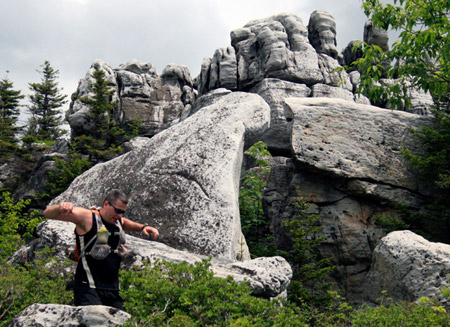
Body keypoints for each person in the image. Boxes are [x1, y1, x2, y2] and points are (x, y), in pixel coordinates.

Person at [43, 189, 159, 311]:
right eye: (117, 211)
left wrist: (143, 227)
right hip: (88, 287)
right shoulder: (88, 217)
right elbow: (47, 214)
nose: (119, 215)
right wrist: (60, 207)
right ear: (106, 204)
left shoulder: (117, 220)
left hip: (112, 288)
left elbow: (124, 223)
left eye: (122, 212)